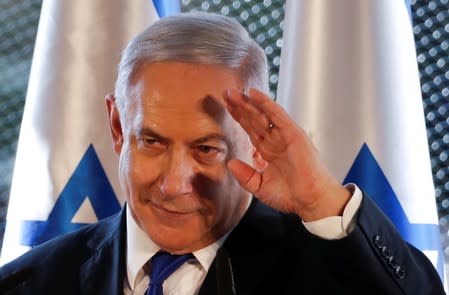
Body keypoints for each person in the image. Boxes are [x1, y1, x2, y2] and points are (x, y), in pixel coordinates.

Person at [0, 12, 444, 295]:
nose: (175, 184)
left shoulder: (329, 276)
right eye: (152, 142)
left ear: (256, 139)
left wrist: (324, 201)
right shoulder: (32, 282)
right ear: (117, 126)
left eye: (206, 149)